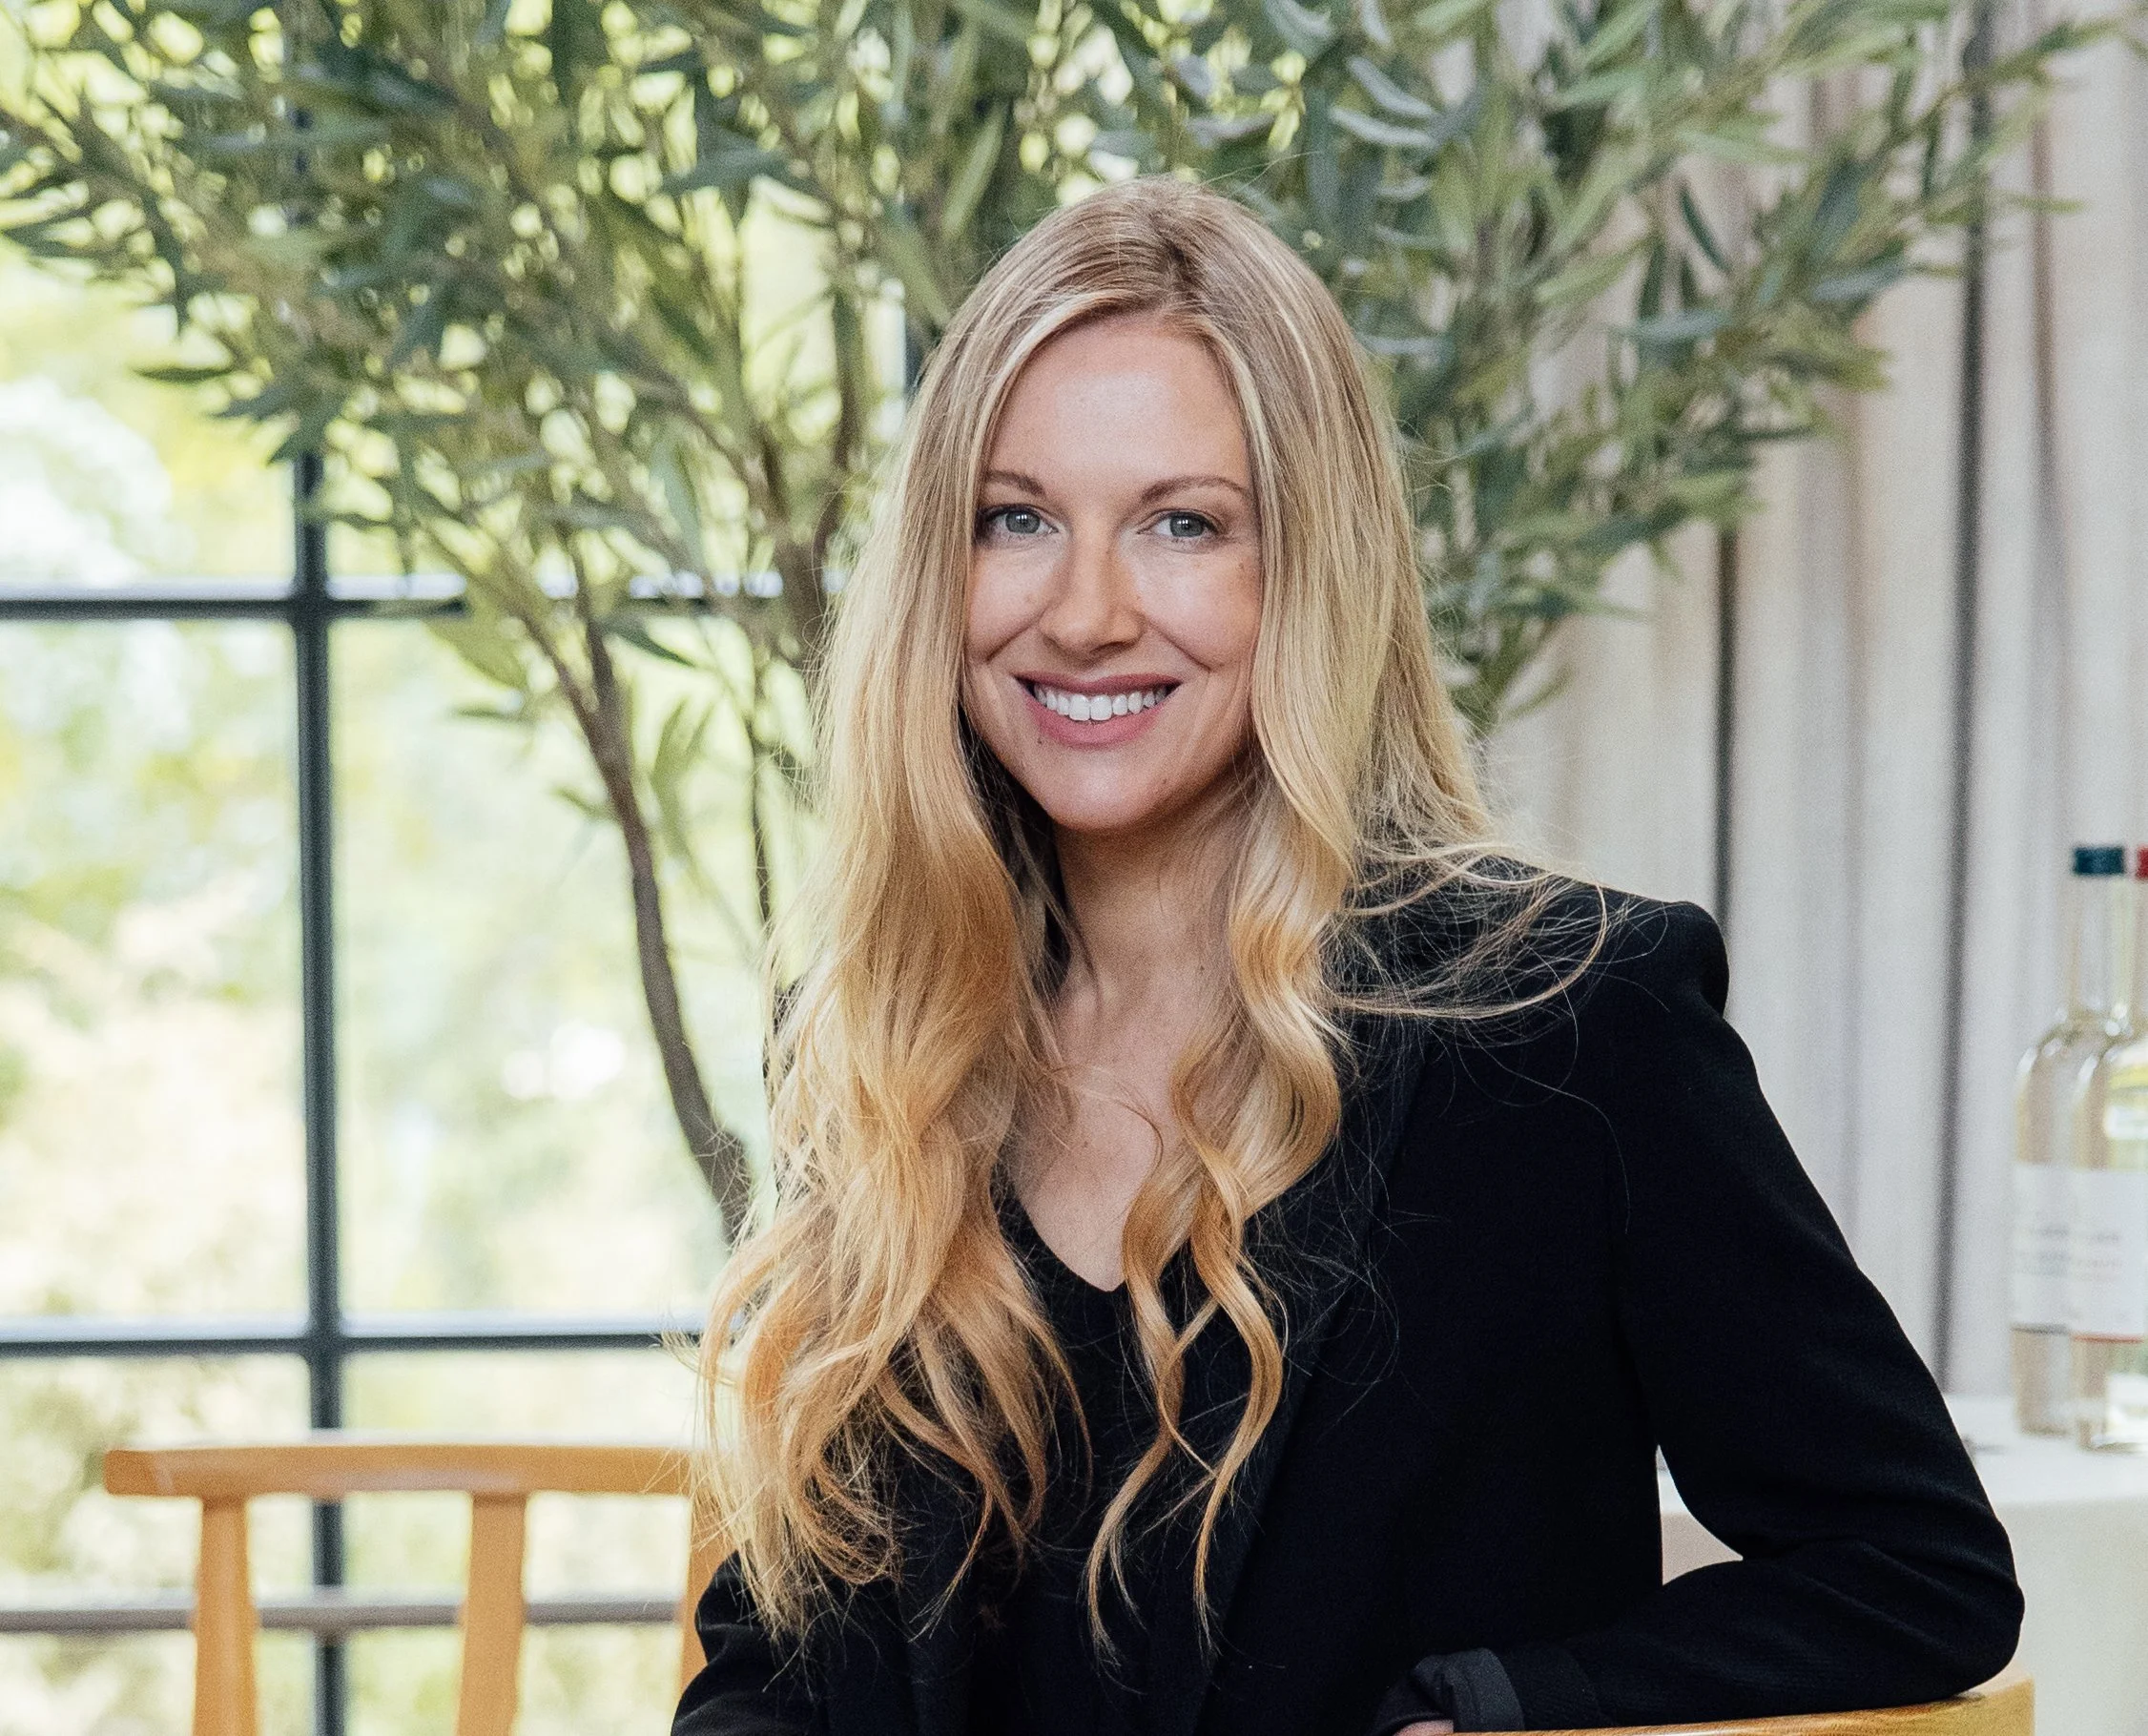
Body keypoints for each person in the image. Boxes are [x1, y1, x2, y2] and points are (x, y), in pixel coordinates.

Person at [672, 176, 2020, 1736]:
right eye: (1016, 519)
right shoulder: (890, 1035)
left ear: (1309, 568)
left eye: (1184, 525)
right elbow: (786, 1667)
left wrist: (1504, 1711)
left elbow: (1913, 1567)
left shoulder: (1567, 1021)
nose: (1085, 610)